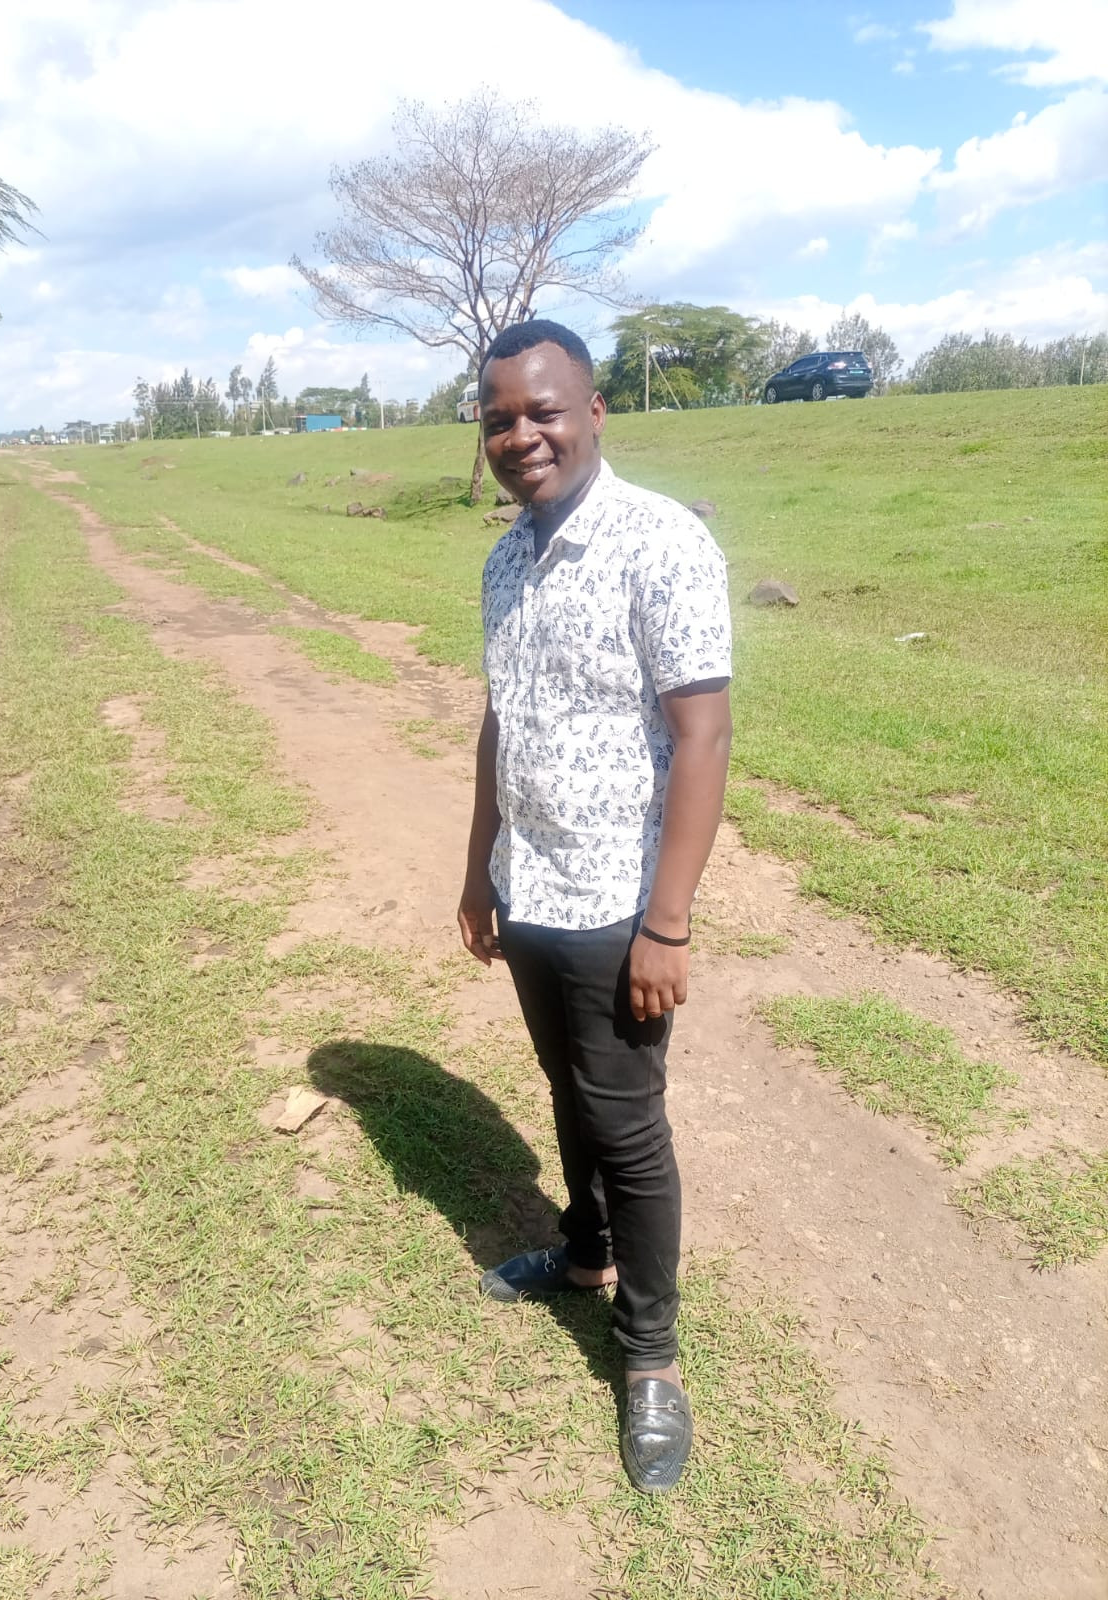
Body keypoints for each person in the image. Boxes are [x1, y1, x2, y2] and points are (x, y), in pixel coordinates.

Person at [457, 320, 732, 1493]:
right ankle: (584, 1251)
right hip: (531, 887)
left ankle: (652, 1357)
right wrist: (478, 867)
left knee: (628, 1120)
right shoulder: (504, 561)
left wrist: (667, 922)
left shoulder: (659, 542)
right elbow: (500, 719)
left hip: (620, 904)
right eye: (499, 419)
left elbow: (702, 732)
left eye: (543, 411)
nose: (522, 435)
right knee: (566, 1087)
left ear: (596, 410)